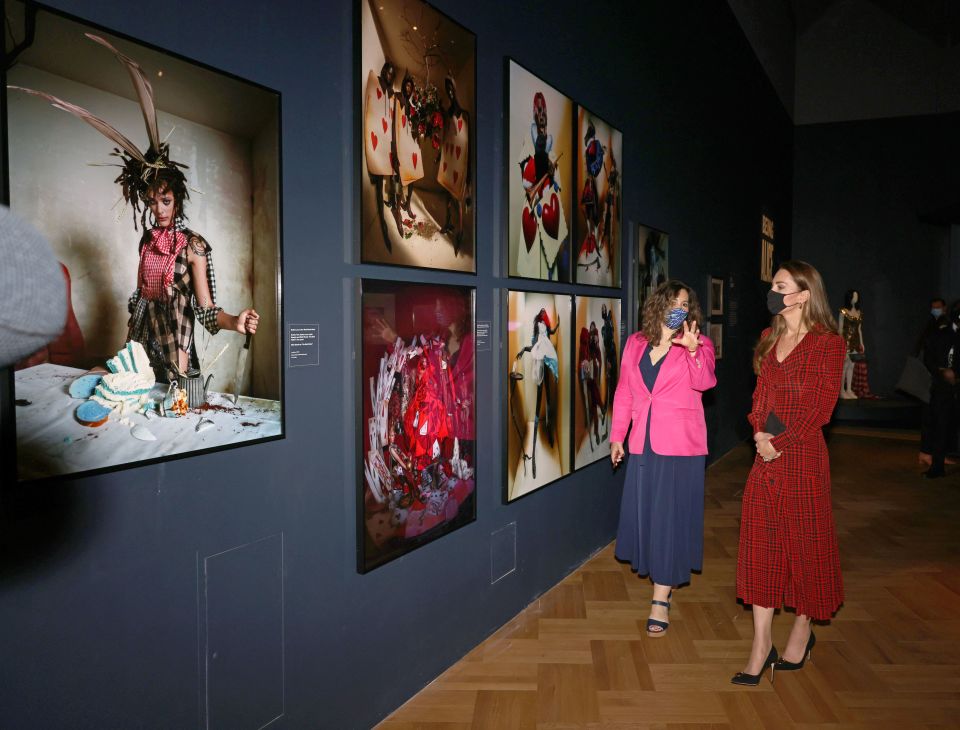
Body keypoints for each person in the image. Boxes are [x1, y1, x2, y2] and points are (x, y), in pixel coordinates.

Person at [12, 34, 258, 383]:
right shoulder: (147, 241)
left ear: (178, 200)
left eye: (166, 201)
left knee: (181, 411)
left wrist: (235, 321)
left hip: (177, 355)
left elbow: (204, 310)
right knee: (115, 391)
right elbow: (141, 301)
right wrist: (125, 352)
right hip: (140, 348)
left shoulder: (193, 246)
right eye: (152, 202)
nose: (158, 210)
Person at [733, 260, 845, 686]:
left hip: (802, 457)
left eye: (780, 285)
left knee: (805, 547)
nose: (773, 291)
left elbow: (820, 406)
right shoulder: (768, 337)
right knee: (761, 546)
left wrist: (778, 442)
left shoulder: (828, 344)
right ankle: (761, 645)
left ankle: (803, 626)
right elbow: (761, 393)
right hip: (766, 455)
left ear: (803, 295)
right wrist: (760, 433)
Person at [610, 280, 716, 638]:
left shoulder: (700, 344)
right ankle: (658, 573)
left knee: (670, 518)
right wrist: (617, 437)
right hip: (643, 442)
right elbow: (625, 391)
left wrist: (690, 350)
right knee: (649, 516)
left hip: (680, 446)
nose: (679, 309)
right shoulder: (635, 344)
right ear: (658, 305)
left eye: (685, 304)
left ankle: (661, 598)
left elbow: (706, 383)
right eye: (673, 302)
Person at [920, 301, 960, 479]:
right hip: (942, 388)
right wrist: (942, 371)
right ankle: (937, 464)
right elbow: (929, 356)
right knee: (940, 424)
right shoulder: (942, 333)